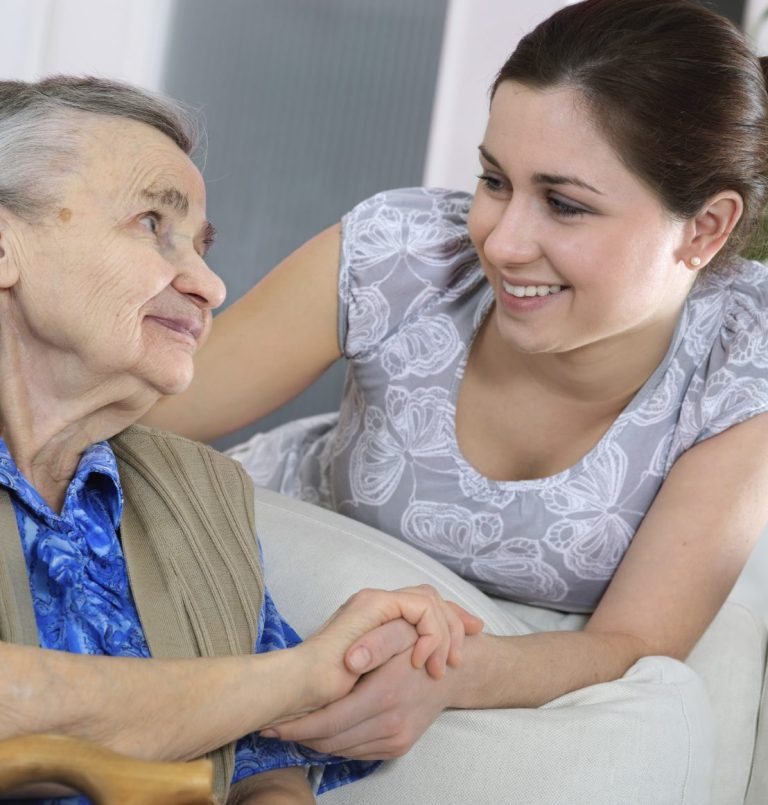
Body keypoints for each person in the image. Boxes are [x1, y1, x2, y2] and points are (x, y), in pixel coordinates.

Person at [146, 0, 768, 801]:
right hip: (279, 582)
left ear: (705, 229)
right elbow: (143, 410)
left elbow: (636, 638)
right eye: (494, 180)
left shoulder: (742, 356)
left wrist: (447, 672)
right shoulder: (402, 252)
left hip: (479, 663)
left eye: (565, 203)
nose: (502, 241)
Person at [0, 76, 483, 805]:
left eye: (201, 244)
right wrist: (295, 676)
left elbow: (264, 757)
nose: (210, 284)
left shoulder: (201, 492)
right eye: (151, 224)